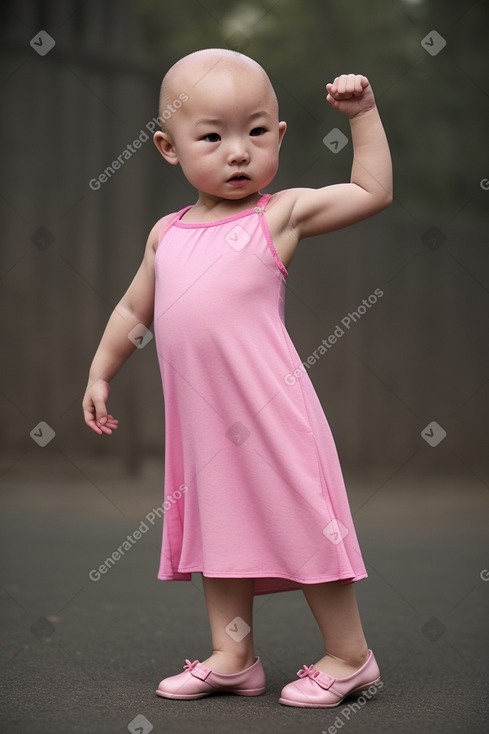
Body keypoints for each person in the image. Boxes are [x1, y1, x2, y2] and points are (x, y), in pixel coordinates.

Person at [82, 47, 392, 708]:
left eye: (255, 132)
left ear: (279, 137)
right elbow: (134, 308)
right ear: (168, 147)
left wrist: (361, 115)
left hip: (273, 417)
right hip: (203, 428)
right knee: (217, 533)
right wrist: (100, 372)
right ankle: (233, 656)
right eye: (212, 136)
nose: (237, 152)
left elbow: (372, 192)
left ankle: (349, 656)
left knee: (308, 525)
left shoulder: (277, 216)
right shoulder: (166, 235)